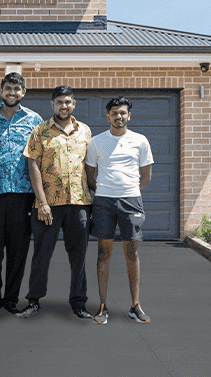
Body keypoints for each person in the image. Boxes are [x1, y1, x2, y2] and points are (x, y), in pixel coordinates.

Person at [16, 85, 94, 320]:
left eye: (68, 102)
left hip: (79, 203)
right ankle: (34, 301)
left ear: (74, 104)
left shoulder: (86, 132)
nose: (64, 106)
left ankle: (79, 303)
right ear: (52, 104)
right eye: (59, 102)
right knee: (41, 254)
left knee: (79, 256)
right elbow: (33, 167)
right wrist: (42, 202)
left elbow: (90, 167)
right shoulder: (40, 131)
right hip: (47, 205)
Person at [0, 72, 43, 315]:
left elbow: (41, 157)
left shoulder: (34, 120)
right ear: (0, 91)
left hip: (23, 194)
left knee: (18, 249)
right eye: (8, 88)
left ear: (23, 92)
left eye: (17, 89)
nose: (12, 92)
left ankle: (11, 298)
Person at [85, 96, 154, 325]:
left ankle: (135, 305)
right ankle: (103, 306)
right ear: (108, 116)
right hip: (103, 201)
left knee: (131, 253)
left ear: (129, 115)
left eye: (123, 112)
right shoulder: (96, 142)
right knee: (103, 253)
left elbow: (146, 177)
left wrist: (128, 190)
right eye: (114, 113)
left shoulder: (140, 141)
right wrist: (107, 190)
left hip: (131, 201)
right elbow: (89, 177)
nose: (119, 116)